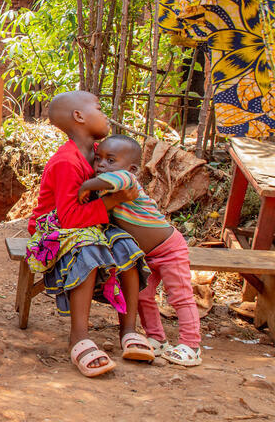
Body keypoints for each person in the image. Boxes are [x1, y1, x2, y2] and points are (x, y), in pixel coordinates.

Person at [26, 92, 152, 377]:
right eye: (98, 108)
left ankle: (129, 330)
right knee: (89, 249)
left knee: (127, 247)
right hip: (54, 230)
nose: (105, 114)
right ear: (79, 117)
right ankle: (79, 336)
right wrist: (113, 201)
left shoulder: (102, 154)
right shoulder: (66, 162)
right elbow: (69, 218)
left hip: (91, 224)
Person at [78, 135, 203, 367]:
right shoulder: (107, 185)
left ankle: (192, 345)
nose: (102, 165)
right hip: (144, 255)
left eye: (110, 160)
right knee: (143, 296)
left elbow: (113, 179)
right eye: (98, 159)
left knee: (180, 296)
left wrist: (86, 185)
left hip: (169, 249)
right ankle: (156, 337)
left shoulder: (127, 180)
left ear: (132, 168)